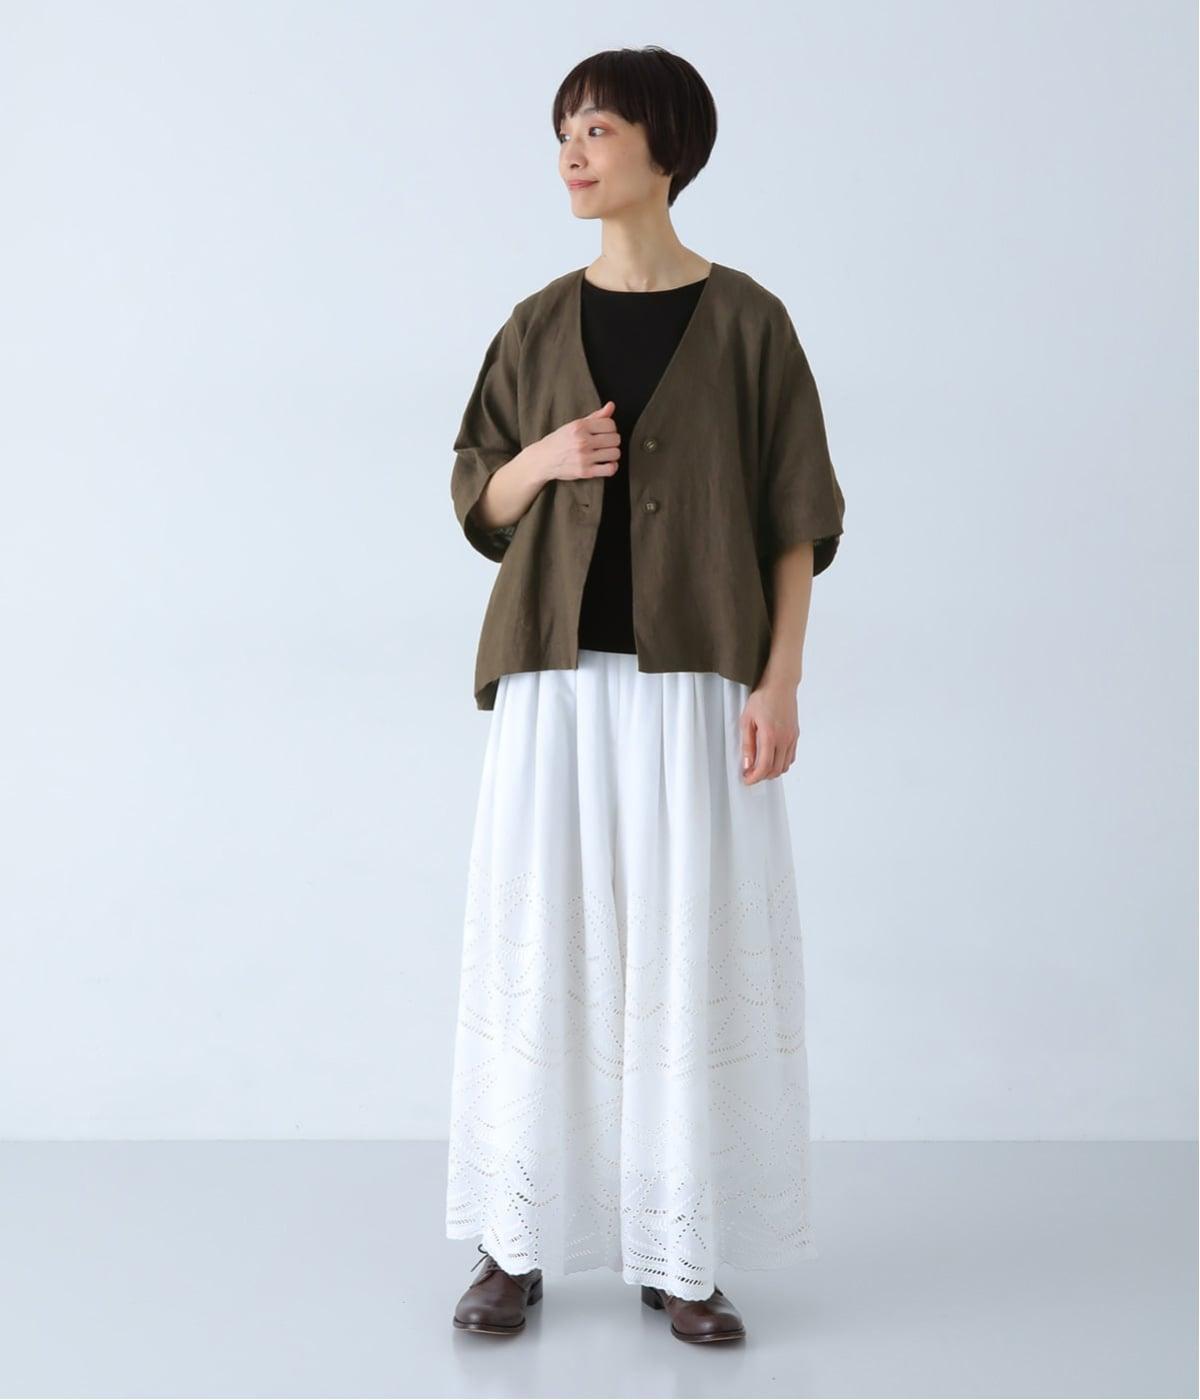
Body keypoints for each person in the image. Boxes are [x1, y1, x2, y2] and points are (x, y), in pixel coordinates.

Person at [444, 45, 846, 1345]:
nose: (572, 152)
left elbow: (796, 515)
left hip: (694, 689)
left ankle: (681, 1248)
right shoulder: (534, 322)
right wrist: (547, 459)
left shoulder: (750, 323)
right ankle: (514, 1243)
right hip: (555, 687)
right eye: (564, 130)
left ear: (666, 147)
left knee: (684, 952)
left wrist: (781, 681)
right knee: (545, 953)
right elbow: (477, 494)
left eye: (599, 128)